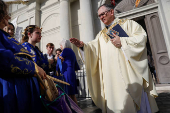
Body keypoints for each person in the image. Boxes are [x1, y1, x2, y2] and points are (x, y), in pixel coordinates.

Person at [70, 4, 159, 113]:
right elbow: (93, 49)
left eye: (103, 14)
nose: (101, 17)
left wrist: (123, 42)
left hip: (128, 74)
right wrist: (83, 46)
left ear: (111, 12)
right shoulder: (101, 35)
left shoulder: (127, 24)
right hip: (110, 78)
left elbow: (141, 38)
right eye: (99, 16)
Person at [0, 1, 46, 113]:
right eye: (5, 13)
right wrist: (34, 67)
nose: (9, 16)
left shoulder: (4, 36)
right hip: (11, 91)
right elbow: (4, 59)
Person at [59, 39, 80, 104]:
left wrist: (58, 57)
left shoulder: (65, 50)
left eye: (61, 45)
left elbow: (60, 57)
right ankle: (76, 109)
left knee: (68, 92)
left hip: (67, 72)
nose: (60, 47)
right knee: (72, 93)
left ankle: (71, 109)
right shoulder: (72, 51)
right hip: (72, 72)